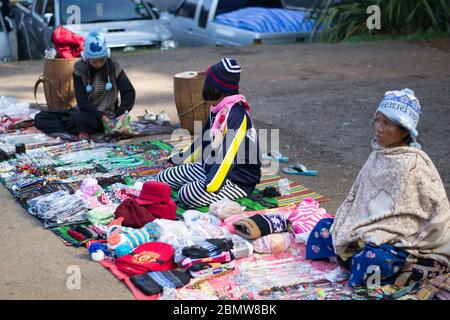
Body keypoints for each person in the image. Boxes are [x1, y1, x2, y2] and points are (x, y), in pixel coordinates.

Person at [325, 88, 450, 287]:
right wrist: (350, 227)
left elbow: (431, 214)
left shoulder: (416, 164)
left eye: (387, 123)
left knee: (370, 261)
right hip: (366, 228)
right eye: (377, 120)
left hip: (399, 240)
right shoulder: (377, 155)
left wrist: (380, 234)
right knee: (323, 231)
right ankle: (353, 257)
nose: (379, 128)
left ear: (404, 130)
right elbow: (356, 196)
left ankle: (405, 268)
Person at [157, 58, 261, 208]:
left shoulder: (237, 116)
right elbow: (202, 140)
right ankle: (198, 185)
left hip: (235, 179)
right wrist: (177, 160)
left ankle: (202, 189)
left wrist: (209, 185)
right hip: (209, 168)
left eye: (206, 82)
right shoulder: (217, 109)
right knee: (163, 177)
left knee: (186, 194)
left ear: (216, 88)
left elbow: (227, 156)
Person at [34, 30, 135, 139]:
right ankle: (77, 129)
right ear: (86, 58)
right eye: (94, 61)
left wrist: (119, 115)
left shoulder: (114, 67)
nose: (98, 64)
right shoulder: (79, 68)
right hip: (87, 113)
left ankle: (78, 129)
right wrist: (101, 116)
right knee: (40, 117)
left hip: (108, 117)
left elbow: (129, 93)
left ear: (107, 56)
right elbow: (82, 101)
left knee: (77, 119)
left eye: (102, 60)